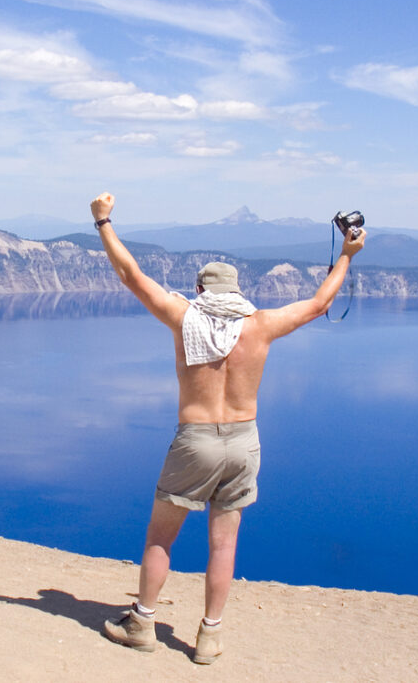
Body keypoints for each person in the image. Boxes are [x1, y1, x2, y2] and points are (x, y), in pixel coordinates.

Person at [90, 191, 366, 664]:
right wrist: (346, 253)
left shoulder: (183, 318)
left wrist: (103, 222)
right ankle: (210, 636)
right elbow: (321, 302)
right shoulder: (260, 325)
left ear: (200, 290)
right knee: (224, 542)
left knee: (161, 537)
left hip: (195, 441)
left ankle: (141, 622)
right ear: (237, 292)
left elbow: (132, 275)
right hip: (244, 441)